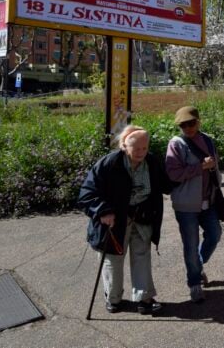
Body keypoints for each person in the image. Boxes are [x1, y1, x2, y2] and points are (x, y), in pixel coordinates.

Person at [78, 125, 170, 314]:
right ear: (124, 146)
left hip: (142, 217)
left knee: (142, 256)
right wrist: (103, 211)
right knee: (112, 258)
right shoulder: (109, 163)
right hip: (114, 221)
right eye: (136, 149)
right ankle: (113, 299)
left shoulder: (151, 162)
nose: (141, 153)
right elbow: (87, 193)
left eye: (144, 148)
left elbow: (166, 184)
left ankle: (145, 298)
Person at [165, 106, 224, 303]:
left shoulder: (207, 139)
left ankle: (197, 266)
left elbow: (215, 165)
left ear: (199, 122)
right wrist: (200, 167)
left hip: (209, 200)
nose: (188, 128)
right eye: (183, 125)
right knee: (190, 245)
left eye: (191, 123)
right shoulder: (177, 144)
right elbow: (173, 174)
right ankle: (194, 282)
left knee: (214, 235)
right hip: (186, 204)